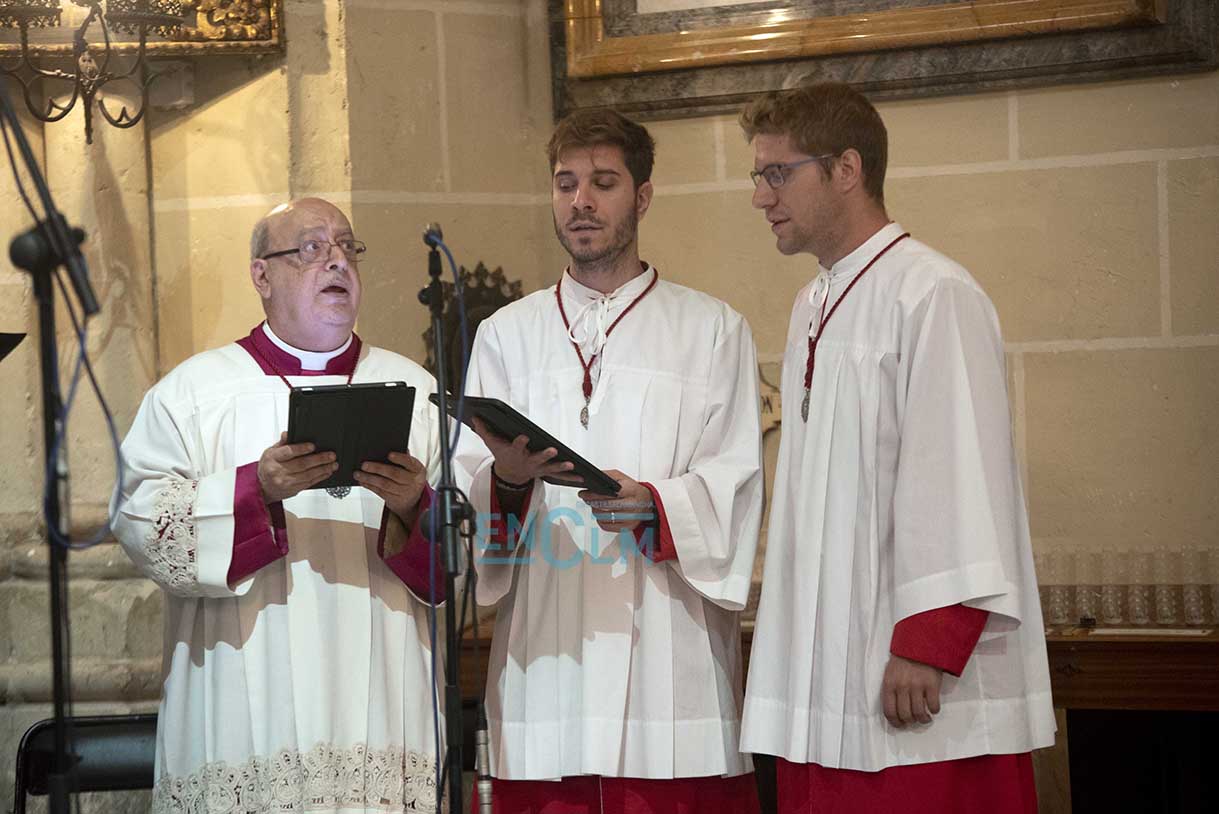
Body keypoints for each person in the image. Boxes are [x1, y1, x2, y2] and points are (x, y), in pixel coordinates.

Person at [738, 83, 1056, 813]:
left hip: (909, 669)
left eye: (777, 172)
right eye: (758, 174)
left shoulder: (933, 291)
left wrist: (928, 638)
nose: (760, 196)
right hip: (829, 665)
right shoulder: (814, 301)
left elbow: (958, 468)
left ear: (846, 169)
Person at [454, 109, 764, 812]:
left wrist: (655, 506)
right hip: (544, 656)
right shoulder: (505, 335)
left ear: (642, 196)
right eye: (565, 184)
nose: (580, 202)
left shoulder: (712, 330)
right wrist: (508, 482)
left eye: (603, 182)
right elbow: (473, 507)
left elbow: (738, 481)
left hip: (668, 657)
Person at [114, 198, 447, 813]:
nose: (336, 261)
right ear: (261, 275)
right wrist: (254, 490)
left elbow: (467, 553)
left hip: (383, 702)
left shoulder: (420, 392)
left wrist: (416, 507)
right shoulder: (193, 394)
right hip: (243, 706)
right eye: (312, 248)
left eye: (347, 247)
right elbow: (142, 525)